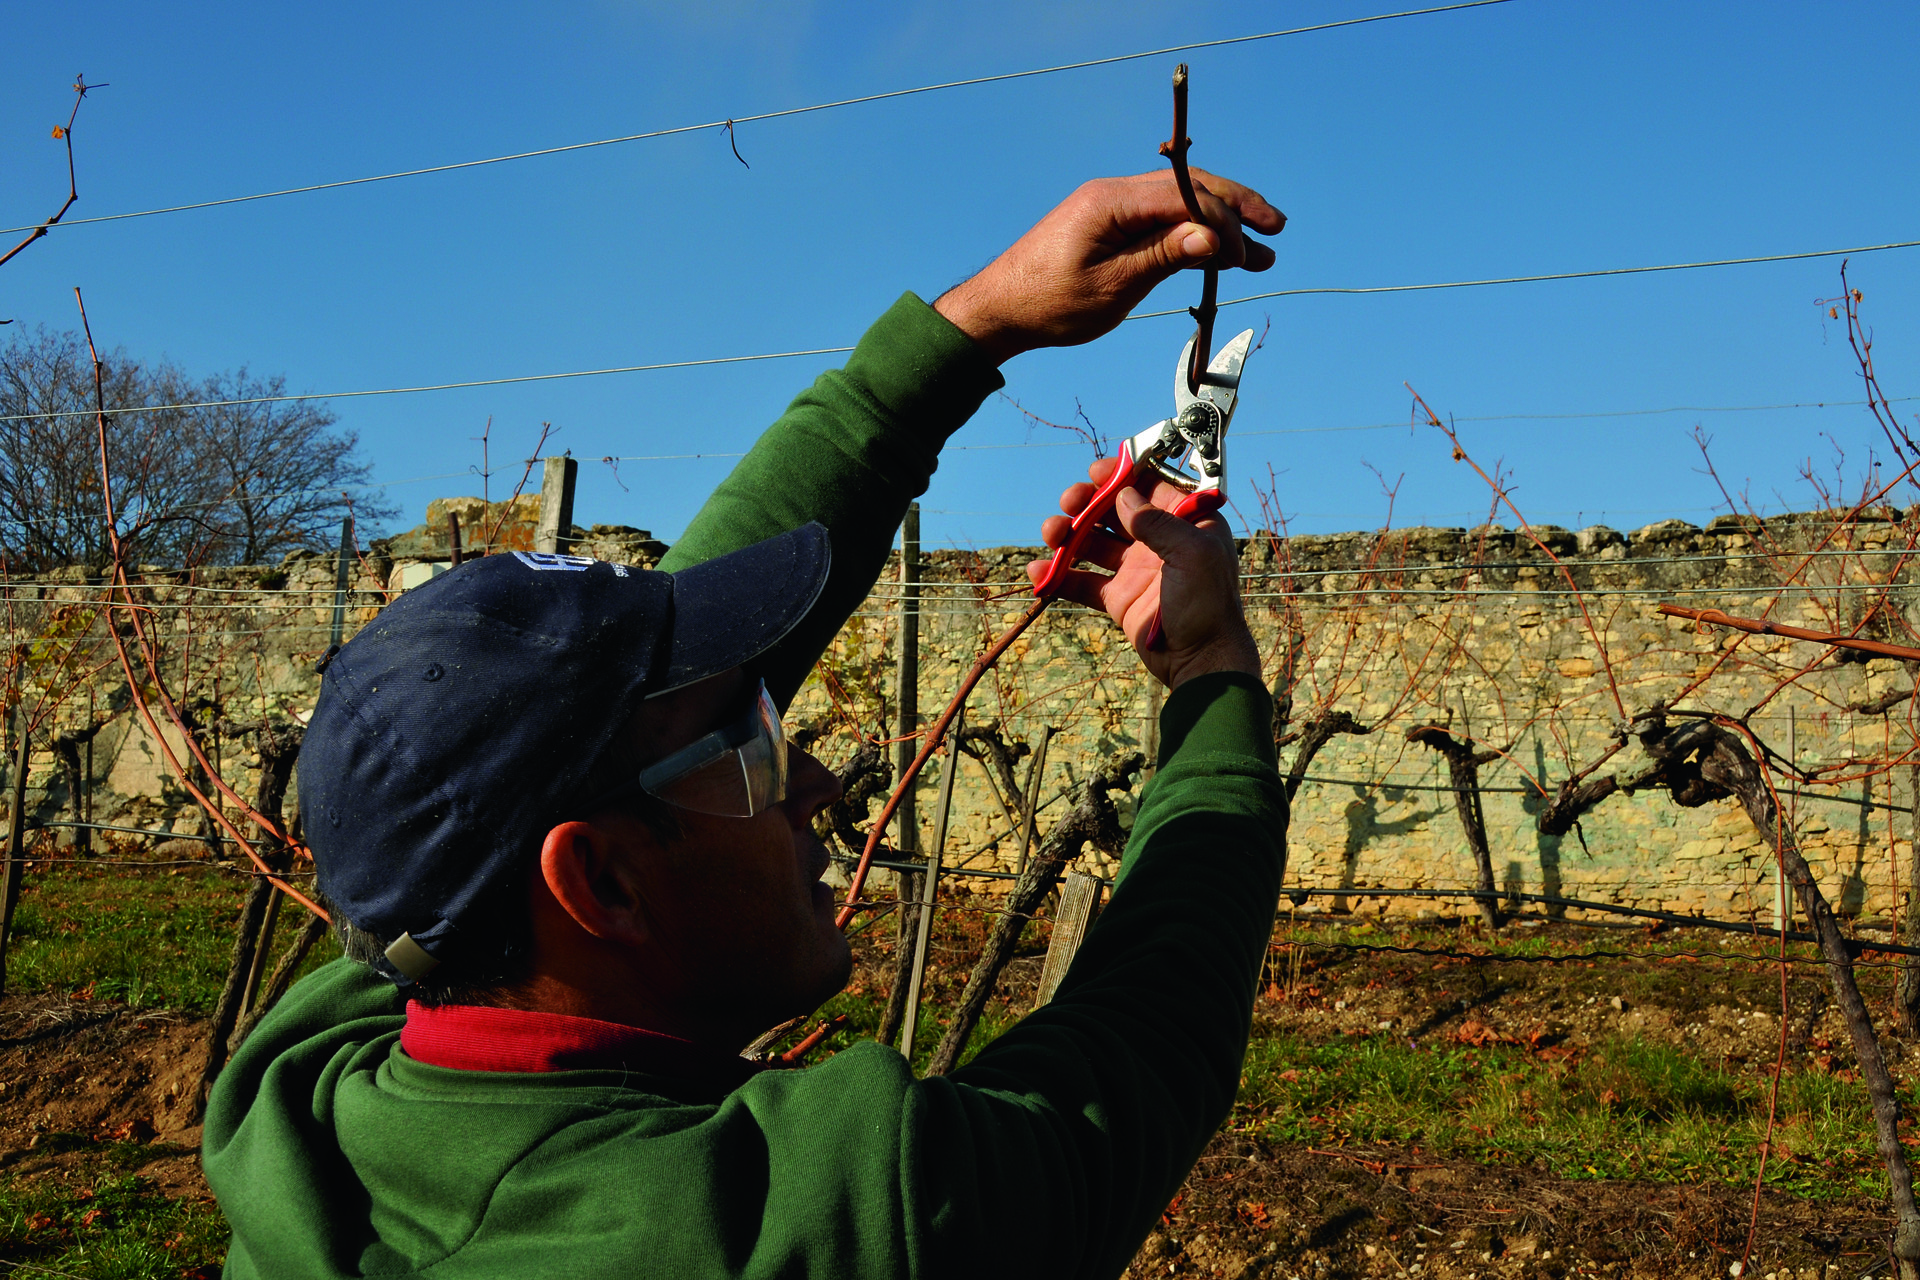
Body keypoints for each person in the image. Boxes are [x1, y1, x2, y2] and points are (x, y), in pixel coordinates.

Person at [204, 168, 1290, 1280]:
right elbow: (1157, 1030)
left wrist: (973, 329)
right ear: (602, 883)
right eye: (755, 748)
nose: (822, 783)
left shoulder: (326, 1071)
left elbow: (616, 726)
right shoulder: (840, 1219)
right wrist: (1208, 662)